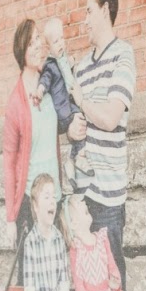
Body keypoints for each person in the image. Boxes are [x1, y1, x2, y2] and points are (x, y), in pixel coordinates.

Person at [67, 0, 136, 291]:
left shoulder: (123, 56)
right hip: (83, 197)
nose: (84, 20)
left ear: (105, 10)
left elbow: (109, 118)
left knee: (113, 284)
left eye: (88, 11)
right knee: (85, 282)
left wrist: (82, 102)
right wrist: (72, 129)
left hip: (108, 198)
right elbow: (76, 119)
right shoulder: (81, 68)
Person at [2, 18, 62, 270]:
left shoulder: (50, 84)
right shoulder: (15, 104)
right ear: (21, 53)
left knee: (55, 275)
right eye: (31, 42)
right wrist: (11, 218)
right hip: (30, 204)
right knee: (30, 279)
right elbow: (9, 164)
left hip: (55, 199)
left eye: (39, 38)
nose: (38, 45)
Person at [35, 16, 93, 181]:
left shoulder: (62, 59)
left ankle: (71, 161)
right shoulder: (50, 65)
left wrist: (71, 63)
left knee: (82, 122)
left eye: (61, 39)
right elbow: (45, 79)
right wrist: (40, 90)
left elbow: (67, 72)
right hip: (63, 110)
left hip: (69, 104)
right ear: (49, 47)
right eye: (55, 42)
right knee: (81, 120)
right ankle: (78, 157)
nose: (60, 43)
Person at [60, 193, 121, 291]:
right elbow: (78, 284)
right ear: (73, 224)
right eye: (78, 204)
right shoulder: (76, 248)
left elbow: (112, 266)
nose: (83, 203)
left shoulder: (102, 239)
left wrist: (115, 280)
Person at [22, 174, 70, 291]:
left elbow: (64, 282)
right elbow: (29, 289)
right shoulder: (31, 242)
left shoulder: (59, 239)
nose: (52, 201)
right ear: (36, 206)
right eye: (46, 197)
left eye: (54, 197)